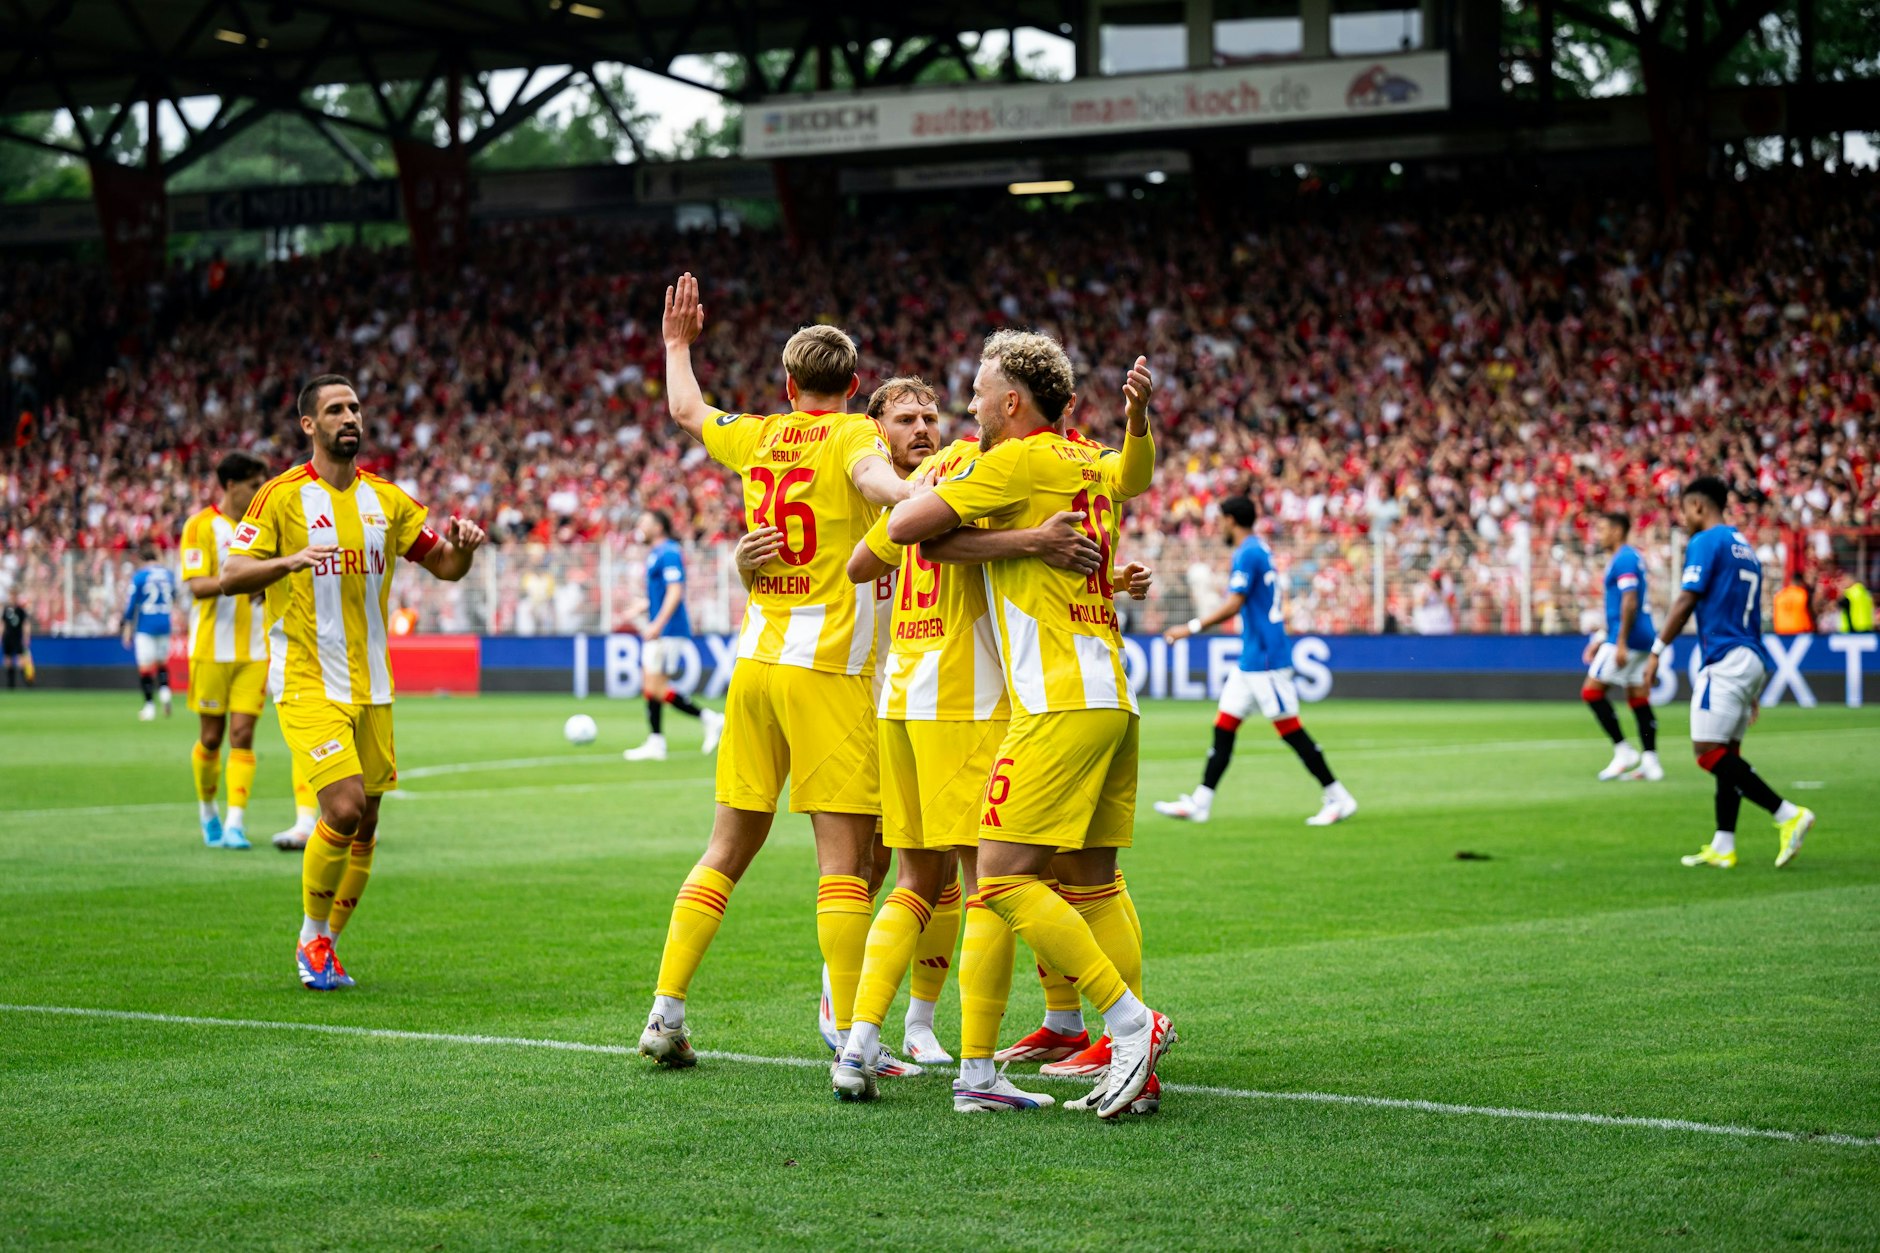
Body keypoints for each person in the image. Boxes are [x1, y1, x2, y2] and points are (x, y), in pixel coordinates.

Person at [887, 331, 1173, 1120]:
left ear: (1011, 400)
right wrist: (1138, 418)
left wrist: (1014, 540)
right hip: (1112, 691)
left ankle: (1130, 1022)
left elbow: (910, 527)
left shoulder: (1011, 461)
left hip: (1055, 698)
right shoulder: (1086, 458)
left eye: (977, 391)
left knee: (1005, 874)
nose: (969, 405)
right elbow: (1134, 476)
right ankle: (1129, 1063)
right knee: (1094, 880)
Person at [637, 274, 917, 1074]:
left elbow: (688, 409)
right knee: (846, 864)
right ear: (857, 389)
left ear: (789, 386)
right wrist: (923, 496)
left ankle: (666, 1010)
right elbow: (875, 483)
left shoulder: (760, 434)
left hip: (754, 666)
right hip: (827, 672)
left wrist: (677, 345)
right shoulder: (853, 438)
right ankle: (855, 1043)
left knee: (726, 846)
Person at [832, 376, 1137, 1101]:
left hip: (899, 697)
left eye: (931, 414)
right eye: (912, 417)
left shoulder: (918, 487)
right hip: (964, 704)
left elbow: (861, 564)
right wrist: (1035, 542)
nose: (931, 424)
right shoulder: (977, 469)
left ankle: (856, 1044)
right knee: (991, 888)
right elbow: (953, 547)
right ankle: (978, 1071)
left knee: (912, 884)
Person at [223, 373, 487, 990]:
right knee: (340, 808)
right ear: (309, 425)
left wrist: (464, 548)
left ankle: (330, 945)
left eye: (356, 408)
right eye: (336, 409)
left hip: (374, 688)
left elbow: (445, 566)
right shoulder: (281, 496)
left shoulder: (388, 500)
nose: (351, 417)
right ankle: (310, 940)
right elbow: (235, 570)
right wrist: (286, 562)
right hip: (307, 680)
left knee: (366, 824)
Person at [1640, 477, 1815, 870]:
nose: (1683, 518)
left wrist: (1656, 651)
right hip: (1750, 654)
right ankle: (1724, 843)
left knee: (1707, 752)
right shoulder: (1745, 548)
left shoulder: (1706, 540)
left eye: (1685, 509)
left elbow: (1686, 599)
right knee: (1729, 752)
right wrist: (1752, 684)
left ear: (1699, 506)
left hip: (1725, 657)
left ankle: (1787, 814)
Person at [1155, 494, 1358, 827]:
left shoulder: (1247, 553)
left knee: (1289, 729)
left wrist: (1190, 628)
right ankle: (1201, 802)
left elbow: (1235, 603)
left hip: (1266, 657)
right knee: (1224, 726)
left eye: (1221, 520)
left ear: (1232, 520)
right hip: (1251, 658)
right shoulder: (1258, 549)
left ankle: (1339, 797)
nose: (1219, 526)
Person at [179, 451, 271, 849]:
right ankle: (207, 812)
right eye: (254, 485)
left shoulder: (264, 526)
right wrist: (240, 579)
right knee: (212, 738)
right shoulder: (200, 526)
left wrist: (266, 584)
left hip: (255, 650)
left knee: (243, 733)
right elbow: (197, 585)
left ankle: (236, 823)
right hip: (211, 650)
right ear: (232, 485)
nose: (258, 492)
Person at [622, 510, 725, 762]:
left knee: (655, 687)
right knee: (650, 685)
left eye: (644, 522)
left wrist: (657, 623)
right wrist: (645, 606)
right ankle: (656, 741)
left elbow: (675, 591)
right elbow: (663, 594)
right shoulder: (657, 554)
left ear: (658, 527)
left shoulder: (668, 552)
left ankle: (709, 719)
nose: (640, 527)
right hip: (663, 628)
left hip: (669, 630)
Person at [1580, 511, 1663, 782]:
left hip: (1627, 637)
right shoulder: (1631, 557)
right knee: (1637, 696)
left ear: (1617, 531)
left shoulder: (1624, 558)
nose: (1598, 534)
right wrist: (1601, 638)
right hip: (1641, 637)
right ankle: (1651, 760)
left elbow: (1629, 601)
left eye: (1602, 528)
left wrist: (1620, 642)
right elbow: (1620, 606)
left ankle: (1623, 750)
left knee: (1592, 693)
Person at [121, 543, 179, 720]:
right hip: (165, 623)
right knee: (161, 663)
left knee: (145, 669)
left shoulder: (140, 576)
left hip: (146, 625)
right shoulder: (168, 575)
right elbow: (174, 596)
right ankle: (165, 693)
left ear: (141, 559)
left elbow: (131, 604)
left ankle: (149, 707)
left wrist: (126, 624)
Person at [2, 591, 30, 688]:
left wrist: (26, 637)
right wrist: (1, 637)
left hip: (17, 638)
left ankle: (26, 683)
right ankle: (11, 684)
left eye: (14, 596)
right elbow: (3, 624)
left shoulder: (20, 610)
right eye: (11, 596)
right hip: (7, 638)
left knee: (20, 660)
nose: (12, 598)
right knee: (8, 660)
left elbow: (25, 624)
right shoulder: (6, 610)